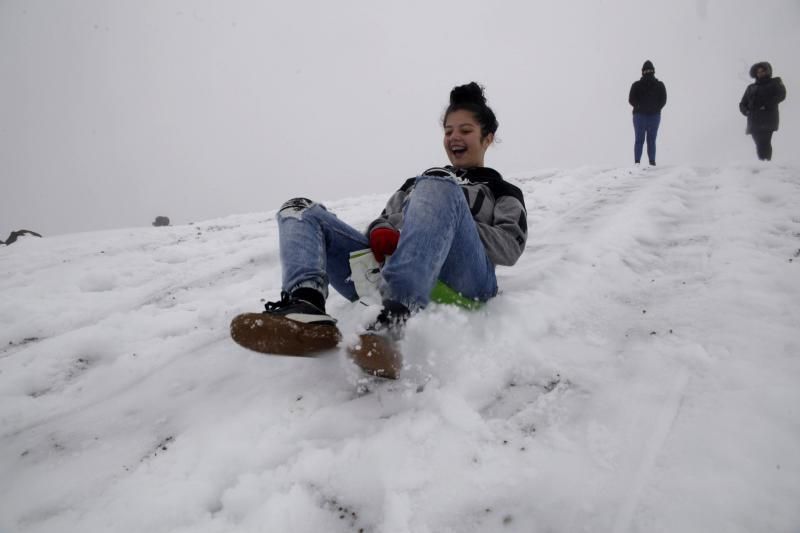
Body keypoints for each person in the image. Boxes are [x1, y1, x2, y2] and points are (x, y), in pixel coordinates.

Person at [230, 82, 528, 378]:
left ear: (488, 138)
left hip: (465, 282)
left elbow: (509, 247)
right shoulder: (416, 185)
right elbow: (385, 219)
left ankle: (392, 320)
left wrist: (446, 224)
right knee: (298, 209)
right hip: (391, 270)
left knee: (437, 181)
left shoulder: (501, 190)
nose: (454, 138)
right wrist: (382, 231)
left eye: (465, 130)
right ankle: (306, 306)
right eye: (448, 131)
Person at [739, 62, 787, 161]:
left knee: (764, 142)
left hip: (767, 118)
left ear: (768, 71)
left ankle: (765, 164)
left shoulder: (775, 82)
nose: (760, 73)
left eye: (763, 71)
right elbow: (742, 103)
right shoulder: (751, 87)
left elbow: (781, 95)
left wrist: (766, 105)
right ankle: (764, 164)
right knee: (759, 143)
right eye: (758, 72)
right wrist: (746, 111)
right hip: (753, 120)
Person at [628, 60, 667, 166]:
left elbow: (631, 99)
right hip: (653, 116)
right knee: (651, 140)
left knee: (640, 139)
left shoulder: (636, 85)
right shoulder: (659, 85)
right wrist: (656, 108)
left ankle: (637, 162)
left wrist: (639, 106)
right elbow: (663, 100)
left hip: (640, 116)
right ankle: (651, 161)